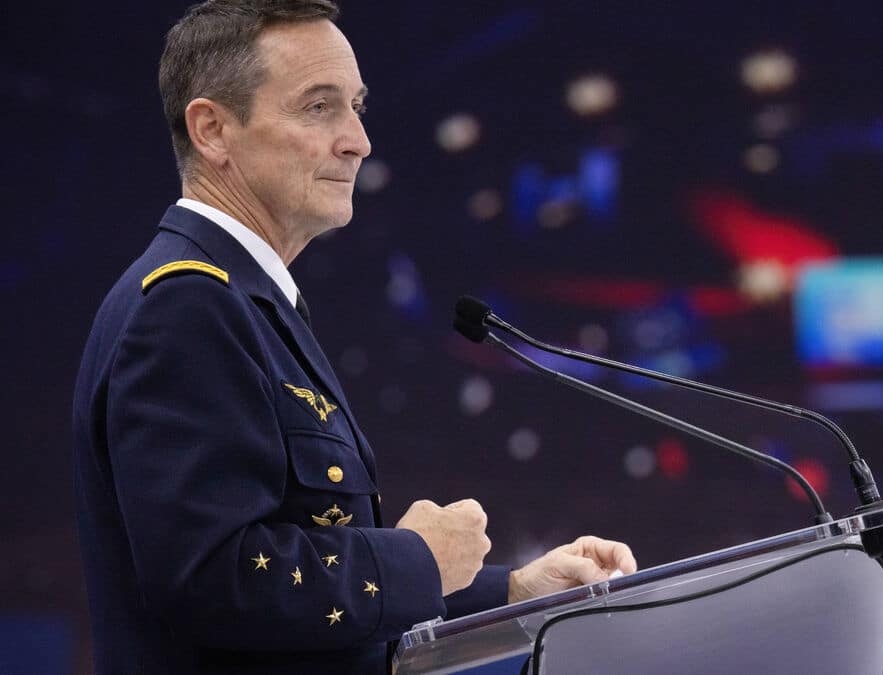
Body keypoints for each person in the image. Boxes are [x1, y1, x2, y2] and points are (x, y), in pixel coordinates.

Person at [71, 2, 636, 673]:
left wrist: (511, 593)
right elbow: (212, 579)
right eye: (319, 107)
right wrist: (416, 560)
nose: (358, 141)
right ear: (213, 129)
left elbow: (312, 598)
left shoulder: (243, 301)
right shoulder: (189, 306)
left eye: (356, 107)